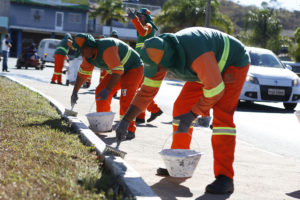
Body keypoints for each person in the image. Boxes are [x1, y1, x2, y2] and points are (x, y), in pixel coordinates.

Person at [116, 27, 250, 194]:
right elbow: (146, 93)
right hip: (206, 69)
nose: (157, 73)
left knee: (222, 119)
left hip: (232, 63)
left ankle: (225, 177)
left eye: (158, 68)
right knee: (181, 107)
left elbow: (216, 90)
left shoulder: (196, 55)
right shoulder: (157, 55)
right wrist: (126, 120)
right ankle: (179, 162)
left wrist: (194, 113)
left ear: (167, 60)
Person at [69, 33, 144, 139]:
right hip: (117, 71)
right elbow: (83, 74)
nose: (82, 54)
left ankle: (128, 130)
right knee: (100, 91)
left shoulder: (107, 48)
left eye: (82, 50)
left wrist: (108, 89)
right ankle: (104, 125)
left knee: (125, 98)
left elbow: (118, 72)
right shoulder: (88, 56)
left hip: (133, 68)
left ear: (89, 46)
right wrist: (75, 91)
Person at [127, 7, 163, 123]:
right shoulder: (143, 28)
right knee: (140, 89)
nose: (138, 18)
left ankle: (147, 113)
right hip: (141, 62)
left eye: (140, 16)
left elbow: (142, 31)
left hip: (145, 63)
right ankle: (149, 112)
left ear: (146, 17)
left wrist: (133, 19)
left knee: (139, 89)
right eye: (137, 16)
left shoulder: (149, 26)